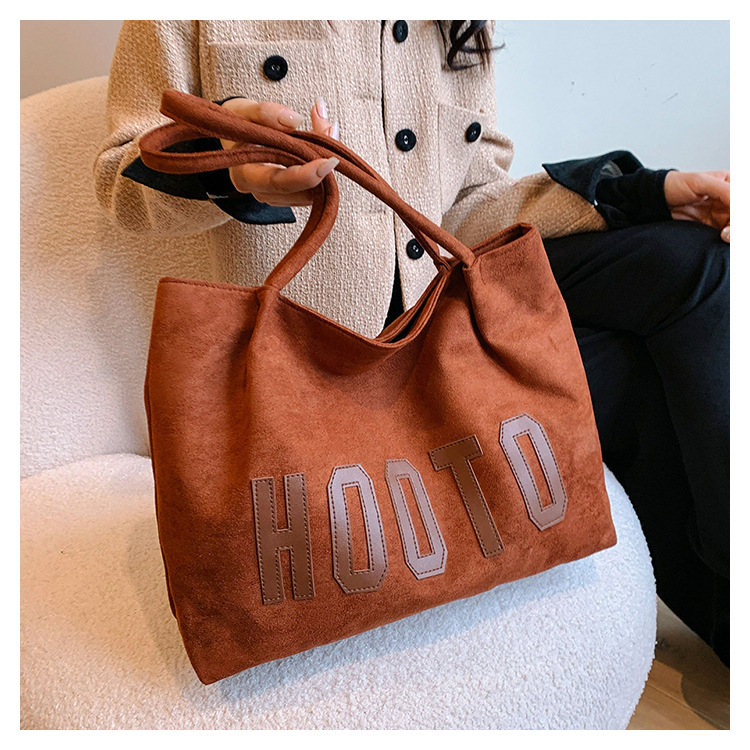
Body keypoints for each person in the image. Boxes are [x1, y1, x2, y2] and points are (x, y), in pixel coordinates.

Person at [94, 20, 730, 665]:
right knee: (633, 376)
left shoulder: (451, 20)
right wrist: (229, 168)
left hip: (441, 331)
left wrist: (644, 194)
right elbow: (120, 188)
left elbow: (465, 206)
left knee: (696, 261)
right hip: (310, 373)